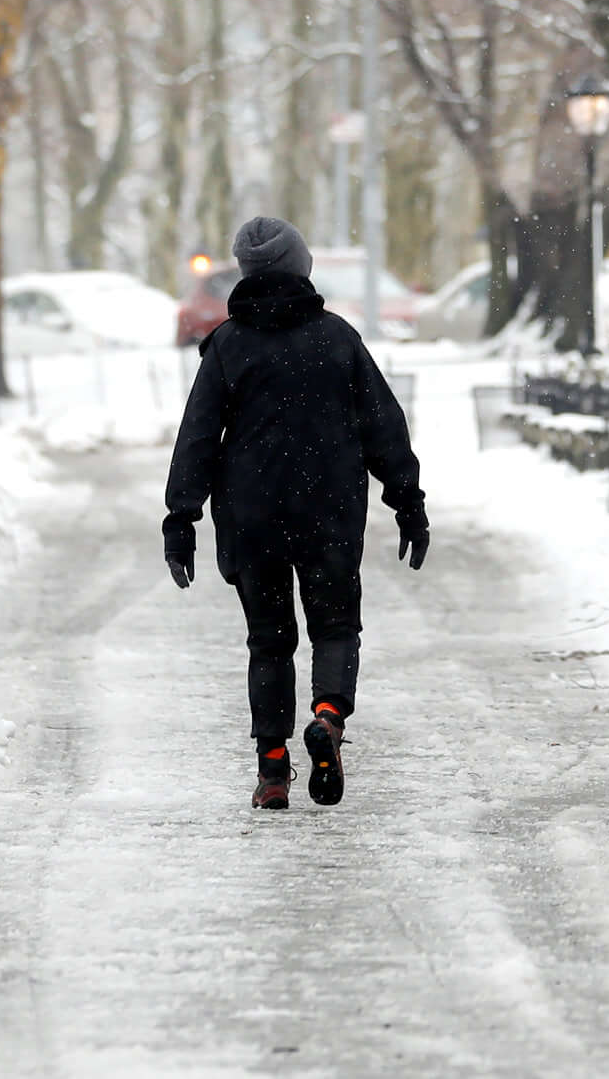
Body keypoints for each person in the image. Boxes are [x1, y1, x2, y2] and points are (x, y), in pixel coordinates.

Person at [163, 215, 428, 811]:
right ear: (301, 266)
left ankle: (274, 770)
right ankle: (329, 718)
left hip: (251, 517)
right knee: (334, 627)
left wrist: (181, 519)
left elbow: (198, 437)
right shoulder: (337, 339)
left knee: (269, 641)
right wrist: (408, 501)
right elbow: (384, 426)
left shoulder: (228, 344)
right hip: (328, 511)